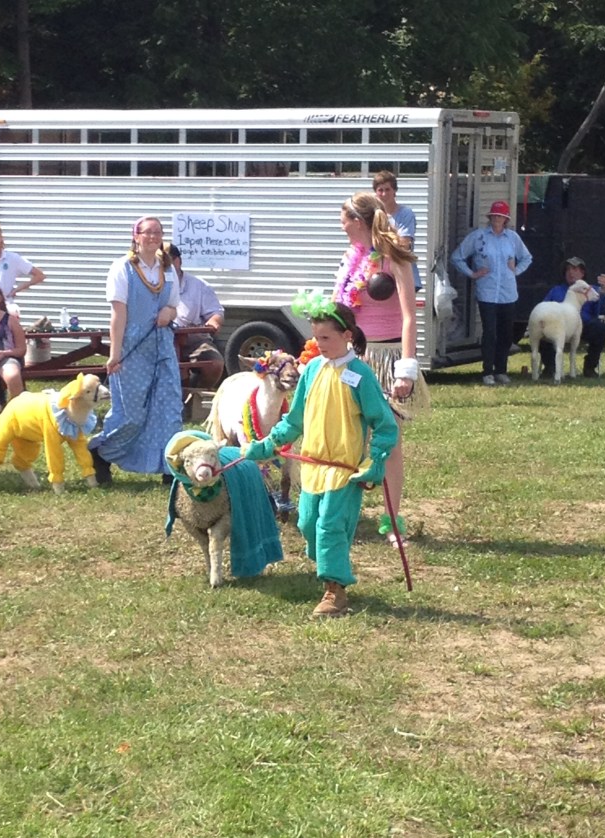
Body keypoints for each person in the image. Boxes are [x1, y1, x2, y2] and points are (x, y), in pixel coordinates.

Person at [243, 296, 398, 618]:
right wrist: (268, 444)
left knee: (329, 526)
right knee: (307, 523)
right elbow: (295, 420)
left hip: (344, 470)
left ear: (347, 336)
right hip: (312, 468)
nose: (319, 344)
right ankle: (330, 567)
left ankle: (335, 592)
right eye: (315, 337)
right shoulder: (312, 370)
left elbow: (384, 425)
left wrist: (375, 463)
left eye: (326, 338)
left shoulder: (360, 375)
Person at [333, 191, 429, 548]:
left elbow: (408, 317)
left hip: (388, 358)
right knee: (348, 438)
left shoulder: (394, 257)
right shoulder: (350, 259)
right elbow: (340, 309)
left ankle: (392, 520)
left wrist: (406, 369)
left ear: (358, 222)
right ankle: (342, 514)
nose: (342, 228)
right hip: (355, 357)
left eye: (344, 222)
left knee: (389, 443)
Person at [87, 216, 182, 487]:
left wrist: (169, 312)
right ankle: (101, 452)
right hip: (132, 346)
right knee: (131, 413)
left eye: (157, 232)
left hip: (162, 346)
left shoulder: (167, 269)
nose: (153, 236)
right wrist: (115, 355)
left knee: (169, 406)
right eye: (147, 232)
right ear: (136, 236)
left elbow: (174, 306)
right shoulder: (122, 268)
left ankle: (170, 468)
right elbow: (118, 315)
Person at [451, 199, 532, 386]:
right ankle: (487, 371)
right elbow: (457, 257)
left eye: (500, 216)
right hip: (487, 292)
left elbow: (527, 258)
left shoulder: (512, 238)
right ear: (490, 217)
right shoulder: (479, 237)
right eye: (494, 216)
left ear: (506, 219)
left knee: (506, 333)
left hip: (508, 293)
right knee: (490, 332)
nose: (497, 219)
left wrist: (516, 270)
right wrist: (472, 273)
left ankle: (501, 370)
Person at [537, 256, 605, 378]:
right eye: (568, 269)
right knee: (542, 331)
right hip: (558, 326)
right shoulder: (556, 290)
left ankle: (589, 367)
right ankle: (551, 368)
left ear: (582, 273)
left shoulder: (592, 290)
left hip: (583, 325)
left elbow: (601, 311)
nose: (570, 272)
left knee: (601, 329)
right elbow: (544, 307)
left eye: (574, 269)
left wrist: (604, 291)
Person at [167, 244, 225, 389]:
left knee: (215, 364)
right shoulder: (151, 285)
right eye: (160, 262)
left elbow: (215, 312)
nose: (165, 266)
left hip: (193, 339)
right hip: (161, 339)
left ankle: (197, 393)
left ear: (179, 261)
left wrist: (213, 322)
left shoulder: (199, 285)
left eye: (169, 261)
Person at [372, 170, 422, 291]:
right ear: (375, 193)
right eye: (380, 190)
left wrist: (380, 244)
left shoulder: (405, 213)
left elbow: (404, 245)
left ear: (395, 191)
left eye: (387, 189)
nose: (384, 194)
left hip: (402, 274)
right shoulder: (372, 215)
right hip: (380, 277)